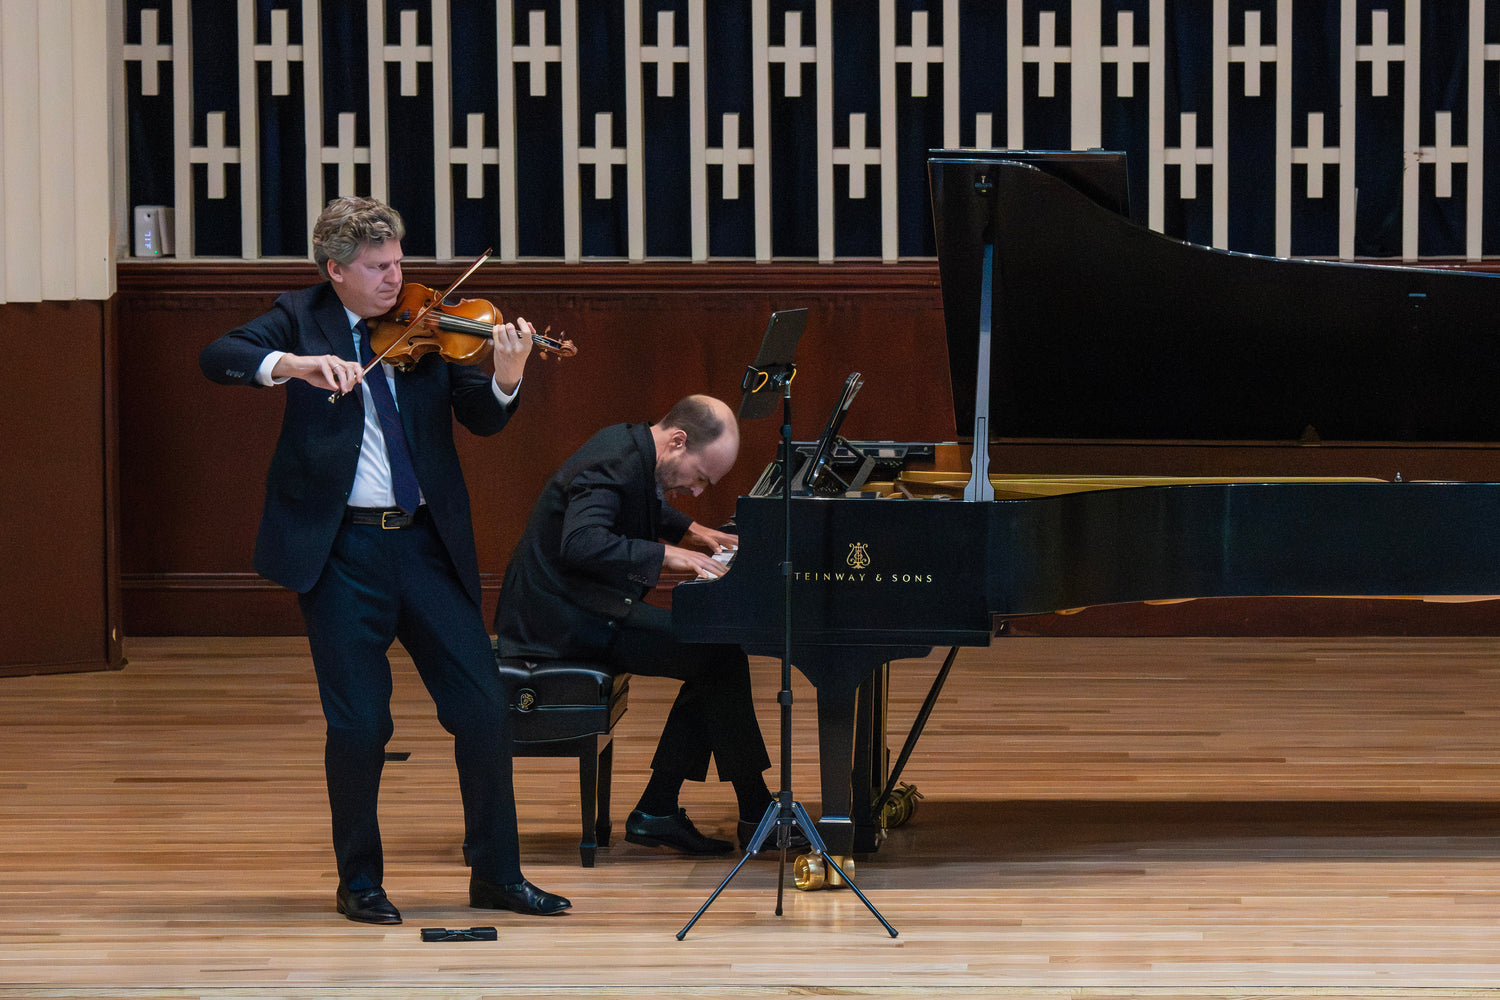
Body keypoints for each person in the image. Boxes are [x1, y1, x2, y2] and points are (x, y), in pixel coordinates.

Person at [199, 196, 569, 924]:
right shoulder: (298, 316)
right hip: (342, 550)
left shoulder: (429, 324)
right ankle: (360, 882)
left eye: (398, 262)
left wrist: (507, 375)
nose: (395, 279)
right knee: (361, 725)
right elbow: (221, 357)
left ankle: (497, 875)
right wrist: (295, 366)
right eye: (376, 267)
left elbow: (483, 417)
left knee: (484, 709)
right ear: (334, 270)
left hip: (426, 545)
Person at [493, 394, 804, 855]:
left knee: (714, 654)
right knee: (716, 656)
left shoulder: (630, 447)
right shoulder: (613, 462)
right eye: (701, 477)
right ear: (678, 441)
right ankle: (736, 811)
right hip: (559, 619)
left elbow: (638, 502)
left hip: (578, 603)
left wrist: (693, 531)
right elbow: (582, 542)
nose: (698, 491)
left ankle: (669, 810)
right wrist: (669, 555)